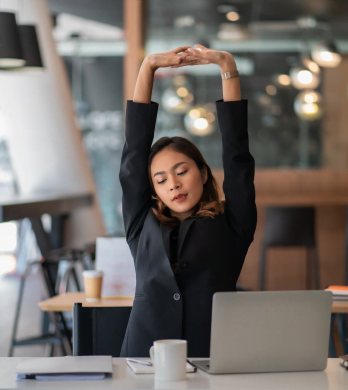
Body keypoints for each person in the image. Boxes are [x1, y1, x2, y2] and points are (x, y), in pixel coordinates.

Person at [119, 45, 256, 358]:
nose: (174, 184)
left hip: (214, 355)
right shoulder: (141, 225)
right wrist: (148, 68)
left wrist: (227, 65)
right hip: (144, 357)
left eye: (181, 171)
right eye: (161, 179)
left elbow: (238, 156)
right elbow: (133, 155)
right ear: (153, 189)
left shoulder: (233, 224)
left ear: (204, 173)